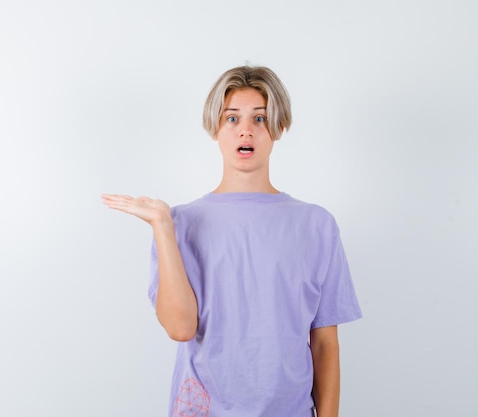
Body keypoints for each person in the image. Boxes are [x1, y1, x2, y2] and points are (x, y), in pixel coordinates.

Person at [102, 65, 362, 417]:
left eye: (259, 119)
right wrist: (163, 226)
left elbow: (325, 344)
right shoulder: (180, 223)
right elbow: (180, 328)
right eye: (231, 119)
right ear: (214, 129)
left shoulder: (316, 225)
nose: (246, 131)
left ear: (279, 127)